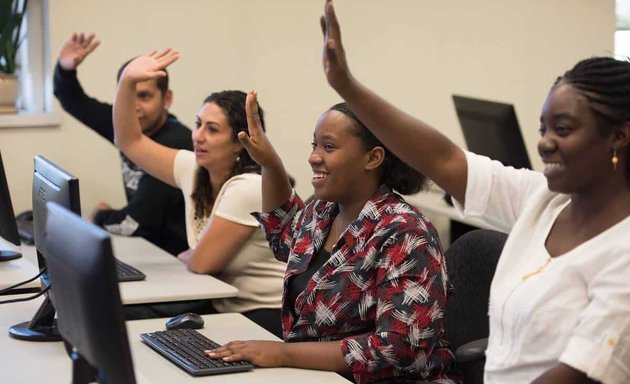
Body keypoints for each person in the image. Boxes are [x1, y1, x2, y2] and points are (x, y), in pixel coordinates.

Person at [317, 1, 630, 383]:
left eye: (562, 129)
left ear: (618, 136)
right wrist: (348, 87)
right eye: (543, 129)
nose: (545, 144)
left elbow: (579, 375)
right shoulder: (544, 200)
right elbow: (444, 160)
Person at [205, 90, 462, 384]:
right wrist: (269, 162)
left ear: (373, 158)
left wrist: (284, 354)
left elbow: (399, 347)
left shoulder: (406, 233)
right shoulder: (323, 211)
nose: (314, 157)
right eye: (315, 145)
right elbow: (282, 234)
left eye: (329, 146)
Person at [112, 50, 285, 337]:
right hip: (223, 302)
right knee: (123, 317)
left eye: (212, 129)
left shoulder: (249, 186)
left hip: (266, 314)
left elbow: (202, 262)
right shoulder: (194, 168)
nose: (198, 136)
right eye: (197, 124)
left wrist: (191, 255)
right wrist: (127, 82)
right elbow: (128, 140)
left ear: (239, 143)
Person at [54, 32, 191, 256]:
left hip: (175, 258)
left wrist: (100, 215)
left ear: (166, 99)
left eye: (145, 96)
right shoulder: (124, 122)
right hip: (146, 248)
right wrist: (65, 68)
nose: (135, 106)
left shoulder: (175, 143)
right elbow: (73, 101)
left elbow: (136, 223)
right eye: (128, 94)